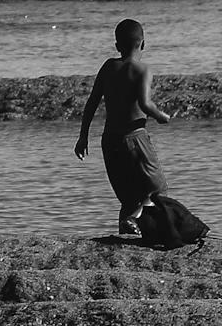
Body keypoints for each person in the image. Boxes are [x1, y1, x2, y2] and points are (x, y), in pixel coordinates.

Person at [74, 18, 173, 236]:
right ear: (143, 44)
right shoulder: (142, 70)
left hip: (109, 141)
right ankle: (133, 219)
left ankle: (125, 233)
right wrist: (160, 116)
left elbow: (92, 102)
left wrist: (83, 137)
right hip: (134, 138)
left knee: (128, 197)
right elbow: (145, 103)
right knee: (158, 189)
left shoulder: (108, 66)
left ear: (117, 46)